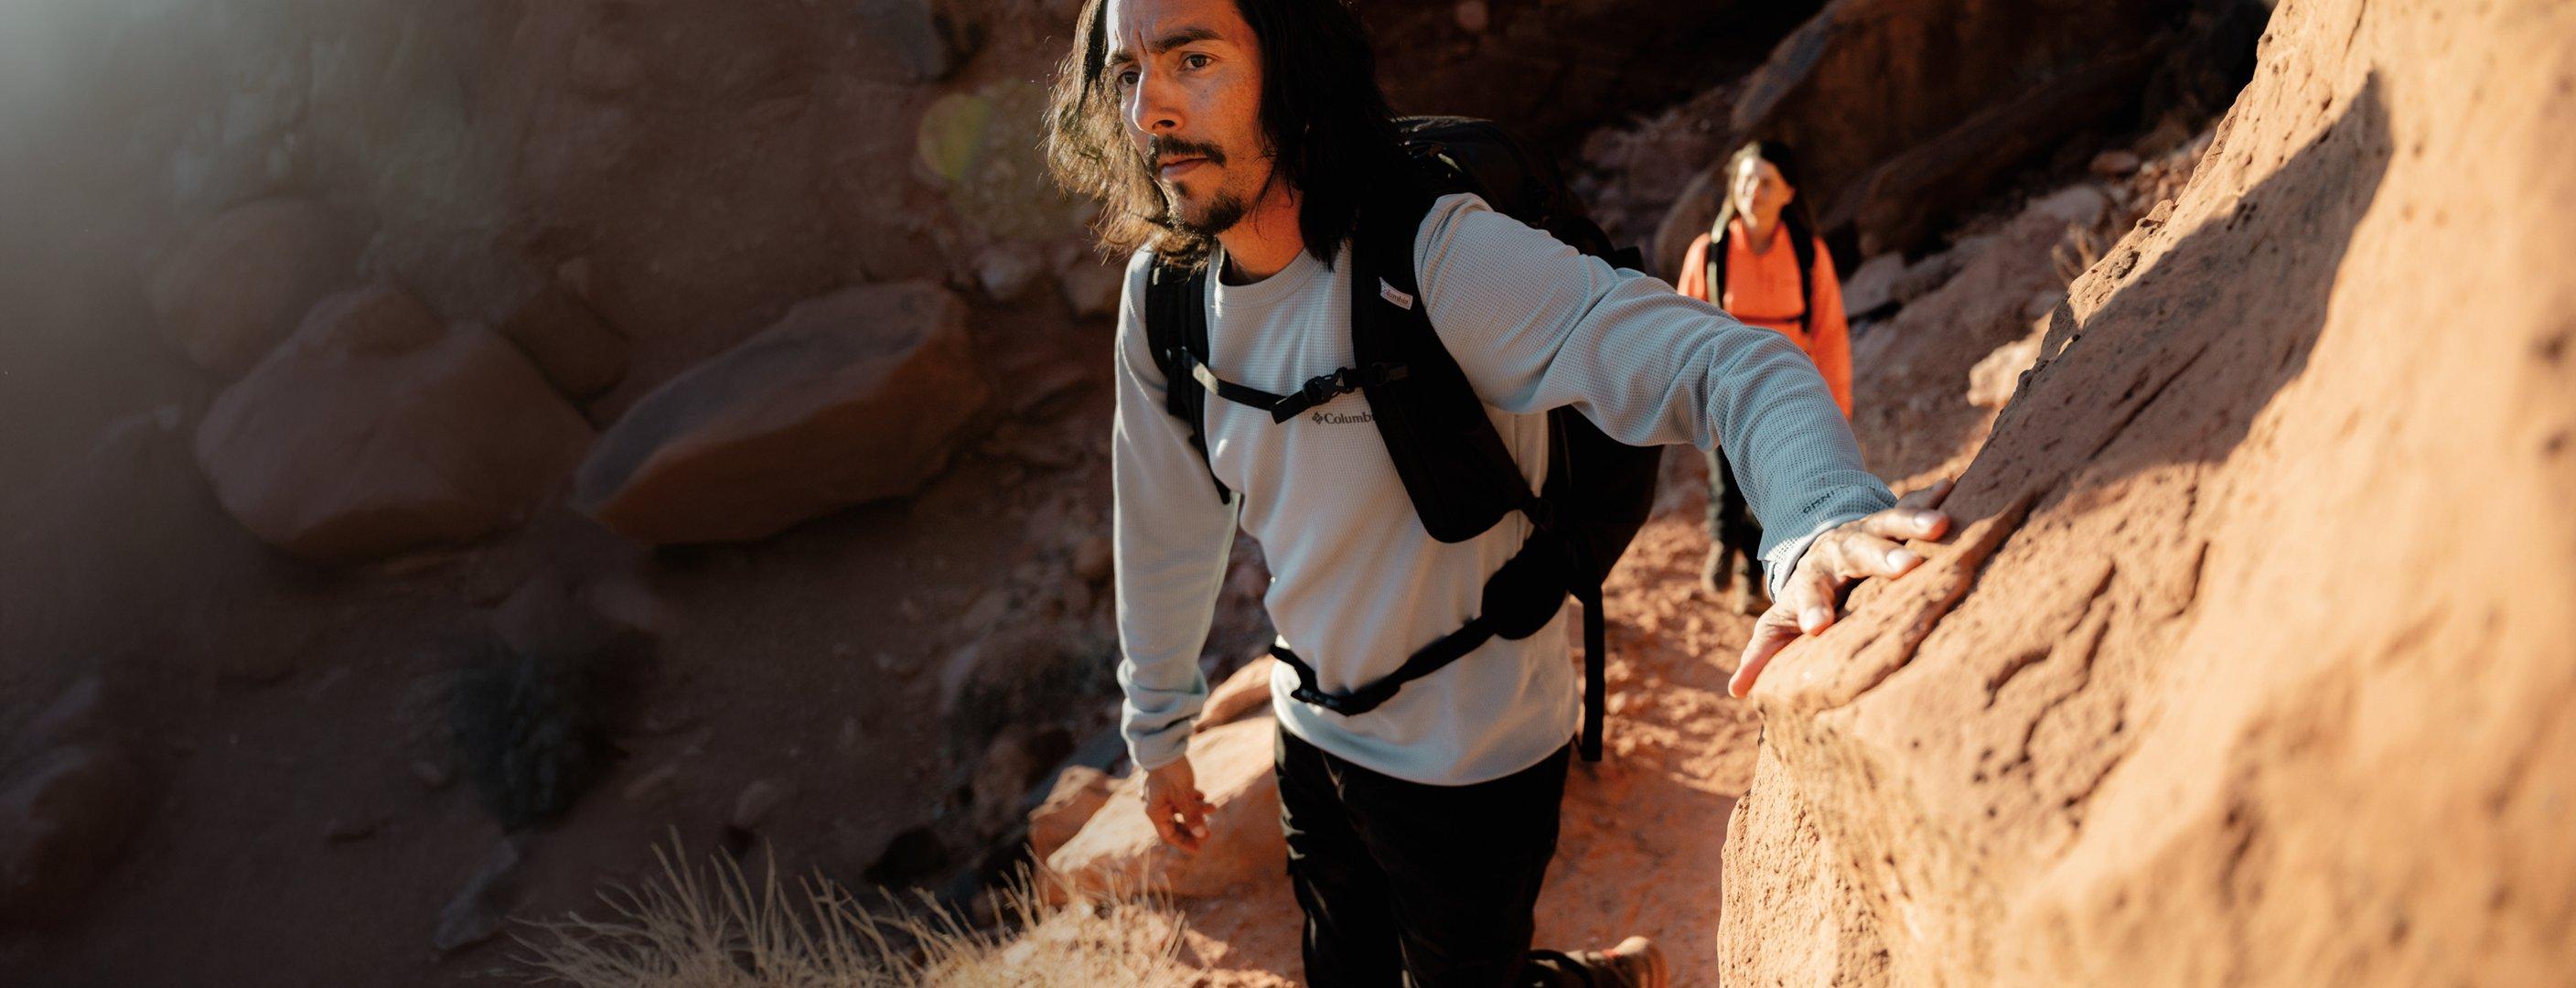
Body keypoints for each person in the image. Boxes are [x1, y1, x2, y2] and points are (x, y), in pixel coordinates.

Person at [1044, 1, 1948, 984]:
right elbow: (1164, 521)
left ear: (1293, 70)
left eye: (1193, 59)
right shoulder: (1164, 298)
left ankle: (1597, 978)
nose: (1149, 112)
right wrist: (1157, 731)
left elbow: (1727, 364)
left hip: (1469, 758)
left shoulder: (1433, 255)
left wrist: (1818, 513)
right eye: (1127, 73)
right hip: (1307, 730)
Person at [1674, 141, 1853, 616]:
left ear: (1788, 193)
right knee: (1725, 480)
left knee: (1767, 487)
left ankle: (1749, 577)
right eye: (1746, 179)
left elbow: (1830, 333)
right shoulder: (1708, 253)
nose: (1754, 190)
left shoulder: (1808, 254)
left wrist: (1837, 406)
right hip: (1723, 391)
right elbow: (1684, 323)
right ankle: (1722, 541)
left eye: (1766, 181)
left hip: (1786, 395)